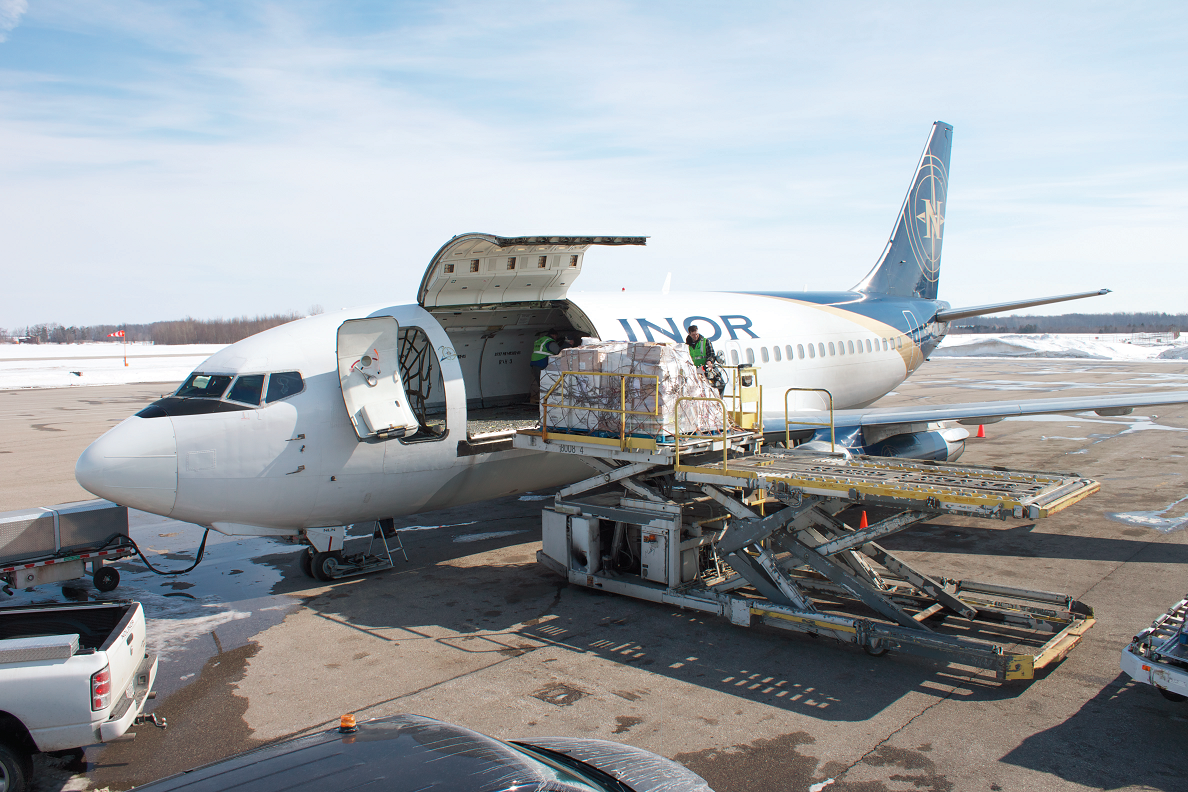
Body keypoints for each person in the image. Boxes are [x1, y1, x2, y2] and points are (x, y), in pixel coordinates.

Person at [529, 329, 560, 404]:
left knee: (539, 383)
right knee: (546, 384)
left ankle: (539, 399)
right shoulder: (550, 342)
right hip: (542, 364)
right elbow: (558, 352)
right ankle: (547, 401)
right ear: (554, 335)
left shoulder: (540, 340)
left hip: (534, 363)